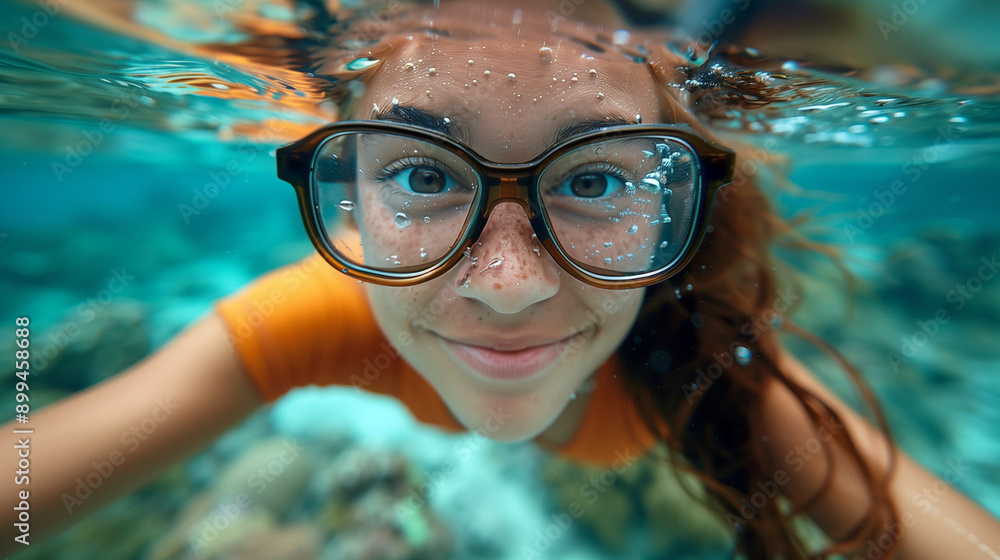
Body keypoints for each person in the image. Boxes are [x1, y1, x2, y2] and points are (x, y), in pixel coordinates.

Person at [4, 0, 999, 558]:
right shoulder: (321, 312)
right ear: (345, 198)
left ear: (674, 207)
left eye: (598, 177)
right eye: (425, 175)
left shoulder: (703, 355)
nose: (509, 284)